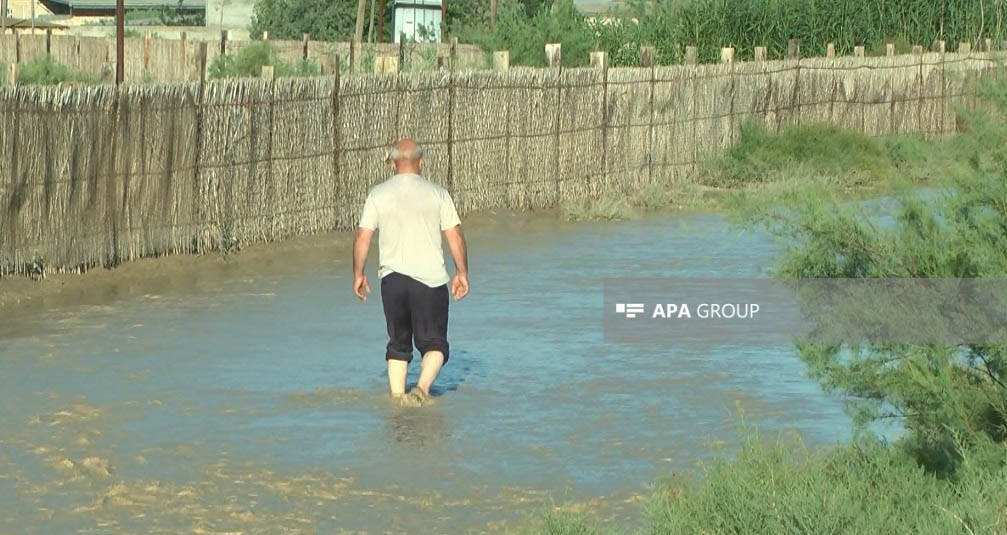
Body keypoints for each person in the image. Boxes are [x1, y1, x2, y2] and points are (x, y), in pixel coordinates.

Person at [353, 139, 470, 407]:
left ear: (393, 164)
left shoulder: (377, 194)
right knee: (435, 344)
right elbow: (455, 234)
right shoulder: (438, 193)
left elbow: (363, 236)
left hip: (392, 280)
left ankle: (396, 402)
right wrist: (462, 272)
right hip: (429, 280)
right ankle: (421, 388)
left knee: (398, 344)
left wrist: (358, 273)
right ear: (422, 162)